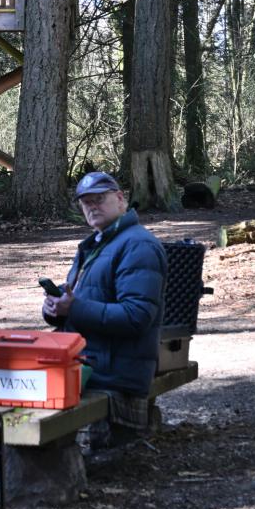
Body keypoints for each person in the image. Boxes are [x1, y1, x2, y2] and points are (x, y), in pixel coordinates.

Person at [43, 171, 167, 448]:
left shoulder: (138, 245)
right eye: (86, 203)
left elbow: (136, 317)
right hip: (88, 363)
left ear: (121, 199)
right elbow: (84, 299)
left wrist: (73, 309)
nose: (92, 207)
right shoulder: (97, 243)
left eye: (99, 199)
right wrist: (54, 307)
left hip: (113, 373)